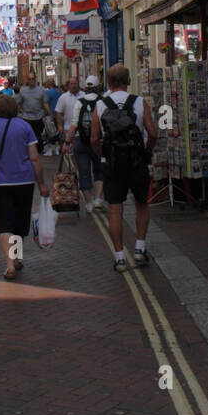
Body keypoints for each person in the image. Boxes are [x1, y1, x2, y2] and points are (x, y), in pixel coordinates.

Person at [91, 64, 157, 273]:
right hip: (136, 163)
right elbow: (152, 133)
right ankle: (139, 248)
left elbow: (94, 138)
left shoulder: (100, 105)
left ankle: (120, 258)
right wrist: (145, 151)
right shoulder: (139, 102)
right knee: (141, 204)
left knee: (115, 209)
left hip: (112, 165)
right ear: (128, 81)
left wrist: (103, 155)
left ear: (108, 83)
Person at [0, 93, 48, 281]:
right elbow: (34, 157)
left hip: (1, 182)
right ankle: (17, 258)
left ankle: (9, 265)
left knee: (5, 223)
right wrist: (41, 182)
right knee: (20, 221)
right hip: (25, 181)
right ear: (15, 108)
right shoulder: (25, 126)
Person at [59, 75, 105, 213]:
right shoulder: (103, 102)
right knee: (99, 171)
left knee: (84, 173)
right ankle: (98, 199)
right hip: (98, 142)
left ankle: (89, 204)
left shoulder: (80, 102)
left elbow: (74, 124)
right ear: (98, 87)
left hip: (81, 141)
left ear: (86, 87)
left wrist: (67, 142)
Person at [16, 69, 52, 148]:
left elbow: (45, 104)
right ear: (27, 80)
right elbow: (19, 104)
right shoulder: (22, 90)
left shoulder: (42, 90)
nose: (31, 80)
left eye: (33, 79)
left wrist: (48, 115)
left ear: (35, 79)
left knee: (38, 137)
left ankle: (38, 152)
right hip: (26, 117)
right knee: (27, 137)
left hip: (38, 117)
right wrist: (16, 116)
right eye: (29, 79)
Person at [42, 78, 61, 155]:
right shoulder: (58, 92)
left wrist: (45, 115)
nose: (45, 83)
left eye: (46, 82)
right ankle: (56, 148)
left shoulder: (47, 93)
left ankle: (50, 150)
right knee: (56, 132)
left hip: (50, 115)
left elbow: (46, 105)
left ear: (49, 84)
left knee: (49, 133)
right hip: (57, 114)